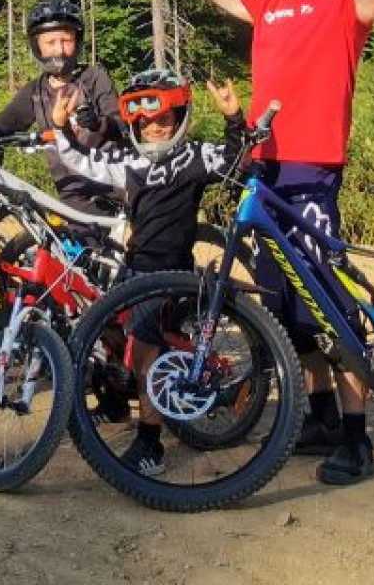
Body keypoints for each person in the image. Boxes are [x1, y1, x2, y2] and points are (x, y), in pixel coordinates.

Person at [117, 0, 374, 485]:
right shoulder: (265, 3)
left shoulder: (342, 0)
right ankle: (323, 416)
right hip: (263, 170)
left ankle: (358, 439)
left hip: (311, 173)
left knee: (324, 306)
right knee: (283, 302)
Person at [48, 69, 245, 477]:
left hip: (171, 274)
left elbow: (234, 161)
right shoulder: (128, 161)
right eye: (145, 121)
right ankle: (117, 404)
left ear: (179, 117)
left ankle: (151, 443)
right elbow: (82, 161)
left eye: (163, 119)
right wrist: (60, 127)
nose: (155, 127)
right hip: (133, 268)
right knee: (103, 331)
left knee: (143, 354)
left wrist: (233, 119)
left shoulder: (194, 157)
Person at [0, 0, 127, 213]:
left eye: (66, 40)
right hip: (72, 190)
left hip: (111, 181)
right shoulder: (35, 92)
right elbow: (0, 127)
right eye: (51, 42)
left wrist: (98, 123)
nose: (60, 50)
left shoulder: (94, 78)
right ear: (37, 47)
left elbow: (121, 122)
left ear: (78, 41)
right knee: (69, 243)